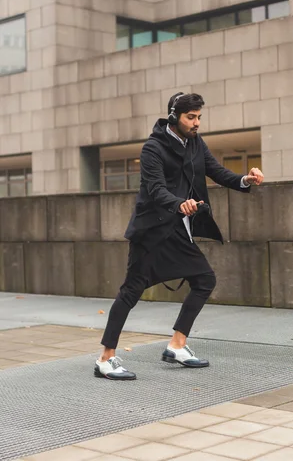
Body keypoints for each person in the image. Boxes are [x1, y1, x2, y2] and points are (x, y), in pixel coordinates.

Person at [95, 92, 264, 380]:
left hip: (177, 230)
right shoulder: (153, 148)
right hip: (152, 232)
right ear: (174, 117)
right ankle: (105, 358)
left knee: (205, 279)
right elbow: (156, 188)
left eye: (199, 117)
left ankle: (177, 344)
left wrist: (244, 180)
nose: (197, 123)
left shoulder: (196, 144)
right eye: (191, 117)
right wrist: (179, 203)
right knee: (131, 291)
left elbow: (218, 172)